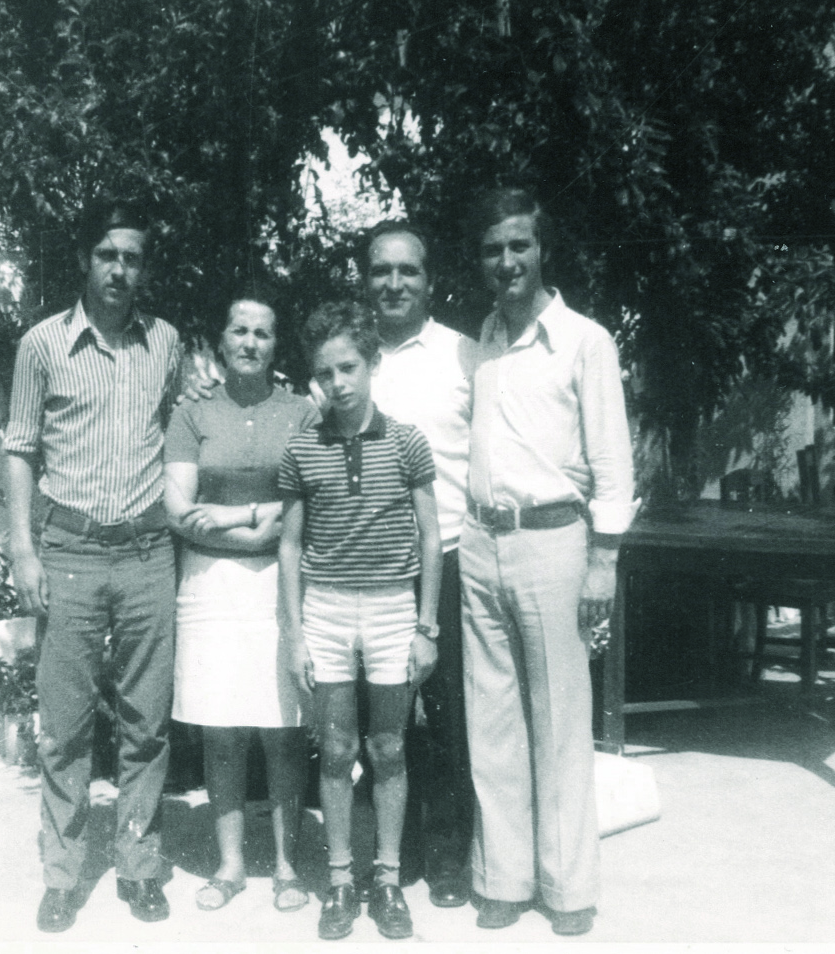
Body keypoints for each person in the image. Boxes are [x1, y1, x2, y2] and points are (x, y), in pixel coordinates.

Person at [459, 187, 637, 936]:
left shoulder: (584, 341)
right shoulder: (480, 343)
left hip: (555, 542)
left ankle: (568, 888)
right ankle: (504, 878)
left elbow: (614, 462)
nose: (507, 261)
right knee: (492, 717)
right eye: (493, 249)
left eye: (519, 245)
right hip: (480, 541)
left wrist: (604, 561)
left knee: (560, 719)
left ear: (542, 250)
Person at [4, 198, 182, 932]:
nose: (119, 269)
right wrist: (23, 549)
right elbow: (20, 448)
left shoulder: (166, 343)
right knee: (65, 726)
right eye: (107, 254)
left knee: (146, 723)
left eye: (132, 258)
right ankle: (62, 874)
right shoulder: (42, 345)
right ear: (86, 259)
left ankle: (139, 866)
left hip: (147, 551)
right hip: (70, 552)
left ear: (143, 269)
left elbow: (181, 430)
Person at [277, 300, 442, 941]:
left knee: (389, 747)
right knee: (338, 747)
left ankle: (388, 878)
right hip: (326, 608)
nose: (338, 383)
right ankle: (341, 880)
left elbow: (431, 536)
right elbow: (290, 545)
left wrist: (426, 627)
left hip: (393, 606)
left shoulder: (406, 441)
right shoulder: (302, 448)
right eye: (325, 373)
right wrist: (296, 637)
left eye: (348, 367)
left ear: (372, 364)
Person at [163, 294, 320, 914]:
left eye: (263, 333)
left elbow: (312, 497)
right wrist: (257, 526)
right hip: (209, 585)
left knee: (283, 729)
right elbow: (179, 510)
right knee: (222, 729)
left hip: (281, 581)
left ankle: (286, 865)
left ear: (276, 345)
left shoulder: (302, 412)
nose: (250, 343)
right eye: (239, 331)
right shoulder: (192, 412)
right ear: (222, 340)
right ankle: (229, 865)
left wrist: (237, 517)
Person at [359, 220, 475, 907]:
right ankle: (392, 854)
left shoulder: (464, 355)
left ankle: (451, 856)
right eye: (382, 270)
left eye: (408, 270)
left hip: (452, 560)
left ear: (429, 281)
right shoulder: (351, 361)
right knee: (383, 724)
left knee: (453, 718)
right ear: (366, 280)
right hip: (372, 570)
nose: (395, 282)